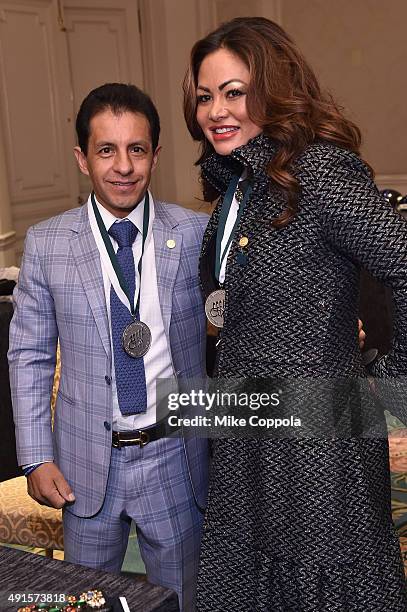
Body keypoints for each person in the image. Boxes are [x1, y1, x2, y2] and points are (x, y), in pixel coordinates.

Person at [182, 17, 407, 611]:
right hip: (245, 421)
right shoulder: (239, 183)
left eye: (234, 92)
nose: (215, 110)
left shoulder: (318, 171)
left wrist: (392, 383)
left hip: (319, 438)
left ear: (274, 88)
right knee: (248, 576)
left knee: (323, 584)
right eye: (205, 96)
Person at [8, 83, 209, 611]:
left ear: (155, 155)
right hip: (84, 465)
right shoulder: (48, 243)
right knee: (86, 601)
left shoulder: (193, 234)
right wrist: (35, 457)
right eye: (106, 150)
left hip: (174, 456)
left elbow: (239, 316)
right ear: (82, 158)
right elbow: (27, 355)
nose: (123, 166)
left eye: (136, 149)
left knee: (181, 600)